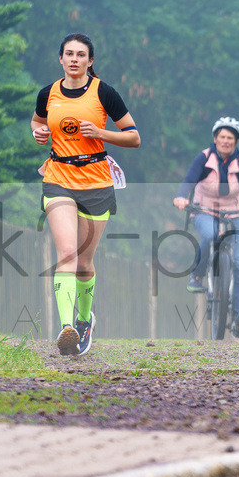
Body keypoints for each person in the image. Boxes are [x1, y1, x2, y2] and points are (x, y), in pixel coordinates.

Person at [31, 32, 140, 356]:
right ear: (61, 59)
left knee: (83, 261)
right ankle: (66, 327)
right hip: (58, 176)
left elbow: (133, 137)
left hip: (95, 181)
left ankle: (83, 320)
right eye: (69, 53)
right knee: (66, 252)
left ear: (90, 61)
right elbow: (38, 123)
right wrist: (38, 133)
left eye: (81, 54)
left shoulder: (104, 92)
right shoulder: (47, 93)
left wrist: (102, 133)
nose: (75, 59)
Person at [173, 117, 239, 338]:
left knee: (238, 263)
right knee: (208, 236)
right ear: (215, 138)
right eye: (222, 137)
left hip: (236, 212)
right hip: (205, 209)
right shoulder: (204, 158)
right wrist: (181, 197)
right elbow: (189, 179)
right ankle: (198, 275)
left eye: (230, 138)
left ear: (236, 141)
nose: (226, 141)